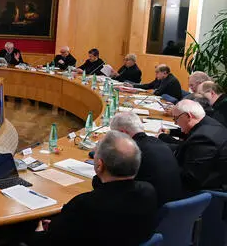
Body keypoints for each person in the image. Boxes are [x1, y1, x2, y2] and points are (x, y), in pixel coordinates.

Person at [29, 131, 157, 246]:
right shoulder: (148, 191)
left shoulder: (84, 204)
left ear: (99, 165)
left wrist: (39, 230)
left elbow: (46, 241)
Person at [99, 112, 182, 206]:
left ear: (123, 133)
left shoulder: (130, 153)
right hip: (172, 205)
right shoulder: (157, 142)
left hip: (149, 210)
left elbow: (110, 183)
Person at [168, 100, 227, 192]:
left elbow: (191, 179)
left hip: (208, 191)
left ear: (188, 116)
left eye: (176, 118)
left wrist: (165, 165)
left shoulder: (203, 138)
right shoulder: (208, 122)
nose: (175, 123)